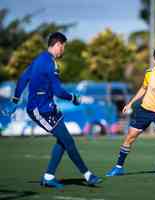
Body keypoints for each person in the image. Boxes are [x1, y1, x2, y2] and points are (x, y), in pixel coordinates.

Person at [8, 32, 102, 188]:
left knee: (63, 140)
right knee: (68, 141)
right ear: (58, 44)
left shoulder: (39, 59)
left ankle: (49, 176)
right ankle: (88, 175)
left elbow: (23, 78)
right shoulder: (51, 64)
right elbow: (58, 91)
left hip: (48, 108)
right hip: (40, 110)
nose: (63, 50)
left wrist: (15, 100)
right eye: (63, 46)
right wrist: (73, 98)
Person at [106, 48, 155, 177]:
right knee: (129, 138)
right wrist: (130, 103)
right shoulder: (149, 73)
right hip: (145, 110)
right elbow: (143, 88)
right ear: (154, 60)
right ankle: (118, 167)